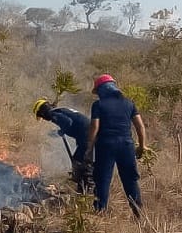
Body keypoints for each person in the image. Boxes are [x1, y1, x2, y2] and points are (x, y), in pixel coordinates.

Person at [85, 74, 148, 216]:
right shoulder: (129, 103)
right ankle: (138, 215)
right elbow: (140, 126)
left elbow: (94, 127)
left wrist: (89, 149)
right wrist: (142, 146)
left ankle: (100, 213)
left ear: (101, 90)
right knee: (130, 180)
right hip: (126, 146)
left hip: (105, 146)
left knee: (102, 180)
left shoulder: (98, 105)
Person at [33, 98, 93, 193]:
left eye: (42, 116)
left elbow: (68, 122)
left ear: (42, 112)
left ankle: (87, 189)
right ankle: (84, 186)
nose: (44, 119)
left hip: (87, 136)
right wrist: (59, 132)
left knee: (81, 161)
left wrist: (61, 131)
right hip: (88, 134)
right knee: (80, 159)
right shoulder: (61, 110)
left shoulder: (52, 114)